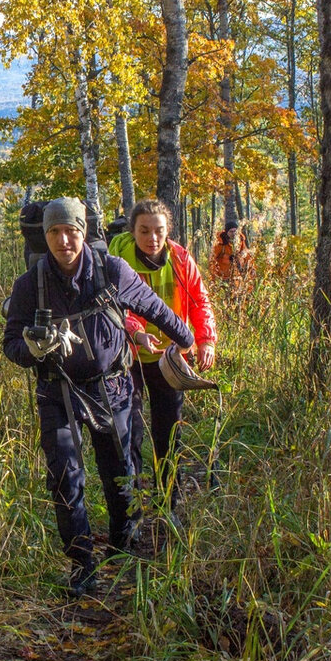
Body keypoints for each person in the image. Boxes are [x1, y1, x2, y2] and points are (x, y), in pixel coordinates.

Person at [3, 197, 195, 597]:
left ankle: (124, 544)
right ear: (45, 236)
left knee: (119, 469)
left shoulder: (110, 270)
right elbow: (12, 346)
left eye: (70, 230)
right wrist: (33, 349)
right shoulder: (30, 285)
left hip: (113, 387)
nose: (63, 240)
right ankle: (83, 564)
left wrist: (188, 340)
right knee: (65, 477)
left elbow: (152, 307)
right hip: (58, 392)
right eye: (54, 232)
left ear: (83, 232)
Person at [108, 199, 217, 516]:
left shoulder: (181, 259)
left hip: (170, 357)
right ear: (133, 231)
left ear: (168, 231)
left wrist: (205, 340)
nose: (152, 238)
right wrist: (135, 330)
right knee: (130, 431)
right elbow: (113, 307)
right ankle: (129, 506)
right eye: (144, 231)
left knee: (168, 431)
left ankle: (167, 498)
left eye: (159, 231)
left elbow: (199, 300)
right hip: (128, 357)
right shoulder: (117, 259)